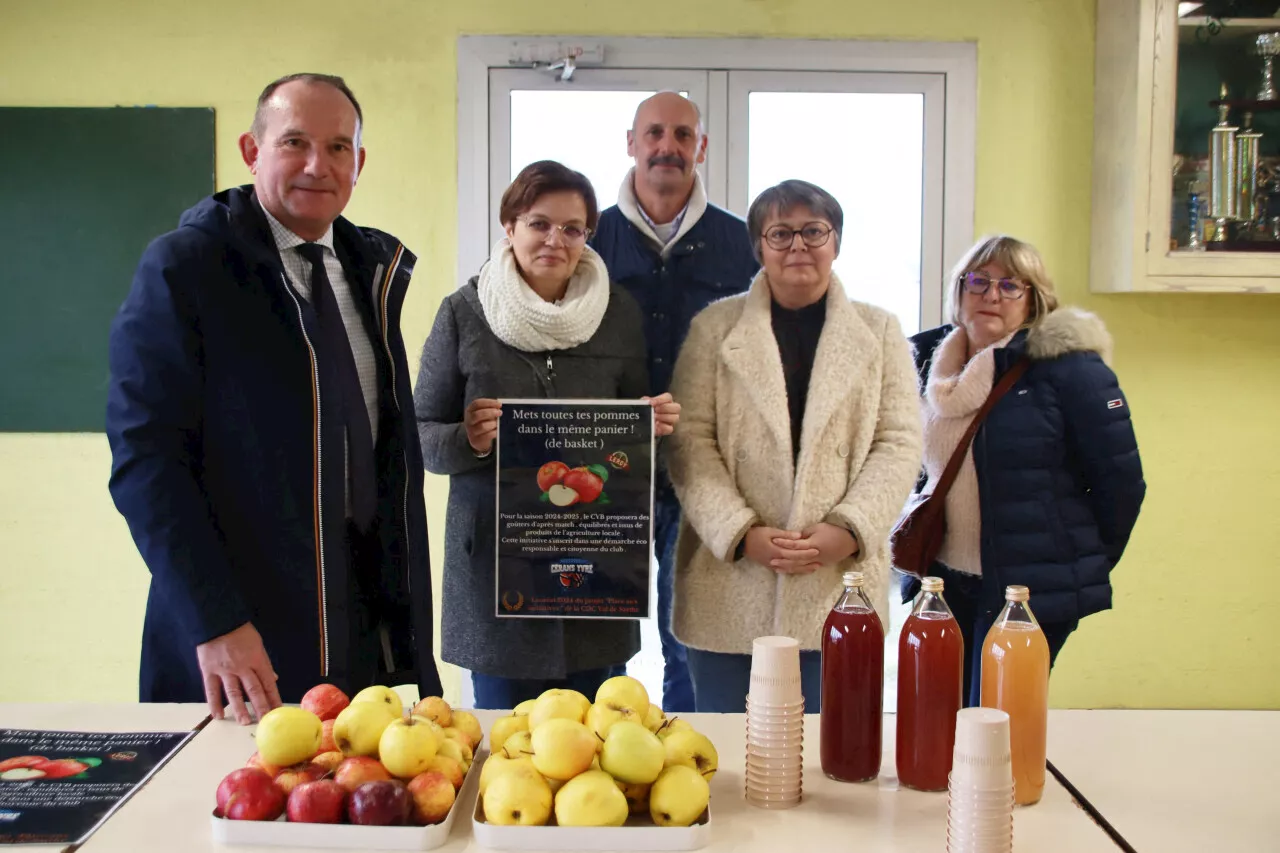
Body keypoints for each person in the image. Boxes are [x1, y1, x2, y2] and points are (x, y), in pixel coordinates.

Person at [107, 73, 441, 724]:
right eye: (295, 142)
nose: (319, 165)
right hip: (241, 634)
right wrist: (216, 619)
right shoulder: (187, 268)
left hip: (356, 626)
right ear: (251, 151)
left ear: (359, 163)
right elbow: (146, 460)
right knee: (230, 815)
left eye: (339, 147)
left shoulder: (369, 274)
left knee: (346, 812)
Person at [414, 160, 681, 710]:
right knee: (504, 755)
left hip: (595, 572)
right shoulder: (464, 313)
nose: (555, 240)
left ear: (588, 236)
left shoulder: (618, 313)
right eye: (539, 223)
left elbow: (633, 434)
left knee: (595, 758)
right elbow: (418, 436)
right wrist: (471, 439)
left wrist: (648, 426)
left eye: (572, 228)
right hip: (495, 577)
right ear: (509, 227)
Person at [666, 179, 922, 713]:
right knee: (726, 759)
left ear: (837, 241)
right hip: (731, 576)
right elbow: (689, 444)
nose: (798, 246)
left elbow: (899, 442)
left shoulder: (880, 331)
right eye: (780, 234)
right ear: (758, 246)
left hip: (836, 578)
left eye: (813, 231)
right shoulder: (714, 328)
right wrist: (741, 533)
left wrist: (849, 529)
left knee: (832, 758)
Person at [906, 234, 1145, 707]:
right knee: (937, 719)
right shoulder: (924, 359)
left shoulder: (1068, 369)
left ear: (1034, 300)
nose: (992, 295)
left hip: (1027, 587)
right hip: (943, 580)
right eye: (979, 281)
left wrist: (1072, 564)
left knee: (996, 726)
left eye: (1011, 286)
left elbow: (1122, 485)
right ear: (959, 290)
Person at [590, 91, 758, 712]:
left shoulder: (742, 246)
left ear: (701, 148)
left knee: (692, 635)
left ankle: (687, 761)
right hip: (601, 471)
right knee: (599, 629)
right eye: (654, 133)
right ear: (631, 143)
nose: (668, 147)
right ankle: (598, 753)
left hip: (704, 473)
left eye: (683, 135)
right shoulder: (587, 239)